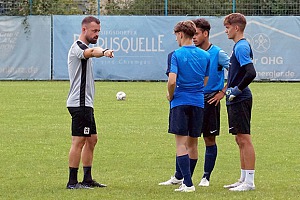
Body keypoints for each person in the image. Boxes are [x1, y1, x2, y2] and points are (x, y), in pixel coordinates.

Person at [66, 16, 114, 189]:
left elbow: (92, 51)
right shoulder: (78, 47)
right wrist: (105, 51)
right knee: (78, 141)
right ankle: (72, 182)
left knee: (92, 139)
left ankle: (87, 179)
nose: (97, 34)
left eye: (99, 31)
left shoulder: (85, 46)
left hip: (86, 104)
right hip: (79, 104)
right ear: (84, 29)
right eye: (94, 31)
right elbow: (92, 52)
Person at [163, 20, 210, 192]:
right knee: (193, 144)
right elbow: (205, 80)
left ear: (181, 34)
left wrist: (171, 94)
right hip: (198, 102)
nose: (176, 39)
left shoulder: (176, 54)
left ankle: (188, 183)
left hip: (180, 101)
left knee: (181, 144)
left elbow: (172, 80)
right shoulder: (206, 55)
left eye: (176, 36)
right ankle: (186, 181)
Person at [192, 18, 229, 187]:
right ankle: (181, 176)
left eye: (196, 34)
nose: (193, 37)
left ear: (205, 34)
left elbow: (237, 71)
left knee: (209, 139)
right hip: (193, 99)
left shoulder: (218, 53)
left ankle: (206, 177)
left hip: (210, 100)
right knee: (187, 140)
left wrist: (223, 91)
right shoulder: (191, 52)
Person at [222, 13, 257, 191]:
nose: (226, 31)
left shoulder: (242, 47)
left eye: (227, 27)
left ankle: (249, 182)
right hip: (234, 98)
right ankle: (243, 178)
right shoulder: (238, 46)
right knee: (239, 138)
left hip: (241, 98)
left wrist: (237, 90)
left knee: (244, 138)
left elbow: (251, 73)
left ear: (236, 28)